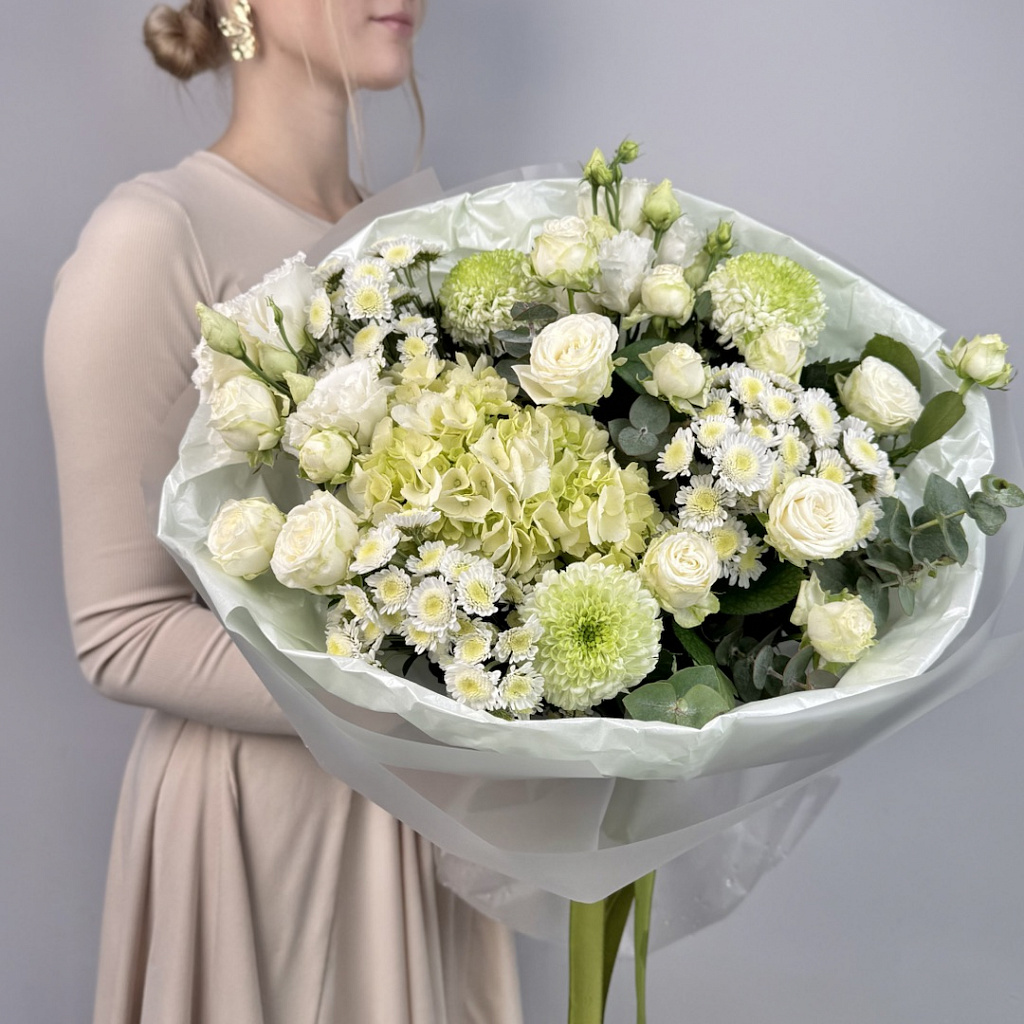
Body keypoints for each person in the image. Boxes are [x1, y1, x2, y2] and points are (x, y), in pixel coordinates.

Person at [43, 2, 523, 1021]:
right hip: (264, 830)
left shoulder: (420, 243)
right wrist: (424, 698)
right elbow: (120, 632)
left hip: (420, 814)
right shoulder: (156, 235)